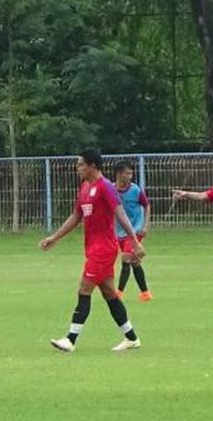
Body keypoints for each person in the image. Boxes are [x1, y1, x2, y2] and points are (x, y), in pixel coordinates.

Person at [40, 148, 146, 353]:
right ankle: (131, 337)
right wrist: (54, 238)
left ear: (92, 166)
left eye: (81, 164)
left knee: (84, 288)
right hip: (92, 248)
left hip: (104, 249)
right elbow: (75, 216)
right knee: (109, 293)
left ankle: (70, 339)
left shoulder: (106, 187)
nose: (77, 168)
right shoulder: (85, 187)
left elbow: (120, 212)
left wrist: (134, 241)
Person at [113, 160, 152, 301]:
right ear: (119, 174)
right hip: (119, 232)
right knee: (135, 262)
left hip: (135, 231)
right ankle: (145, 293)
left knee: (126, 259)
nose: (130, 176)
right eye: (127, 173)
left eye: (131, 173)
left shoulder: (135, 189)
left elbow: (147, 205)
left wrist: (145, 225)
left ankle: (118, 294)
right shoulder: (111, 190)